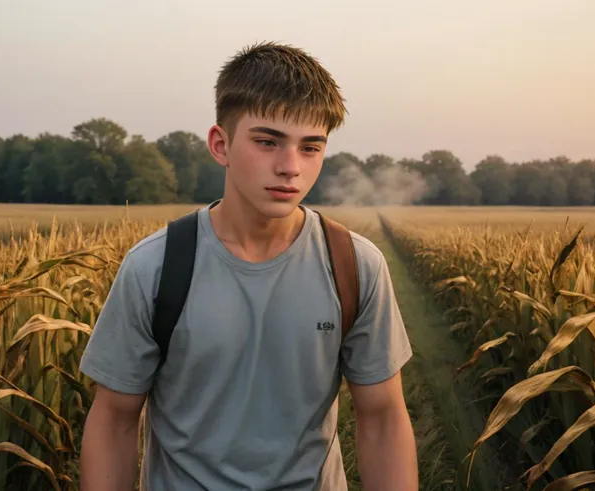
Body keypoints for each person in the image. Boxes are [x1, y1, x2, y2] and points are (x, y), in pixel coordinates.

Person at [78, 41, 418, 490]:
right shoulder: (155, 266)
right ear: (221, 144)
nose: (290, 167)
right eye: (267, 141)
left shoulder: (355, 266)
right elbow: (114, 421)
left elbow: (382, 417)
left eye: (311, 147)